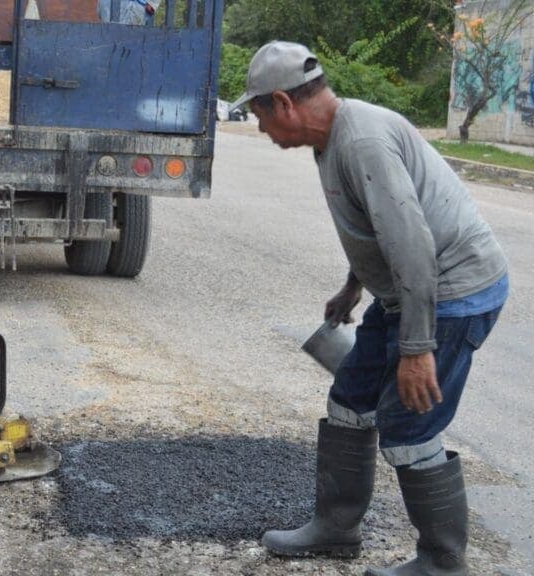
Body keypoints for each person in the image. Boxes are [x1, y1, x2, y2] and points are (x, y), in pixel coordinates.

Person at [232, 41, 509, 575]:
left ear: (284, 103)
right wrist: (354, 286)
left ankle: (442, 560)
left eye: (260, 113)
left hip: (451, 292)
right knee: (351, 397)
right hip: (407, 289)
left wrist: (418, 347)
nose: (262, 129)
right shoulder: (330, 138)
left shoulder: (361, 141)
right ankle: (337, 527)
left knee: (411, 425)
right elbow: (378, 228)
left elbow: (413, 245)